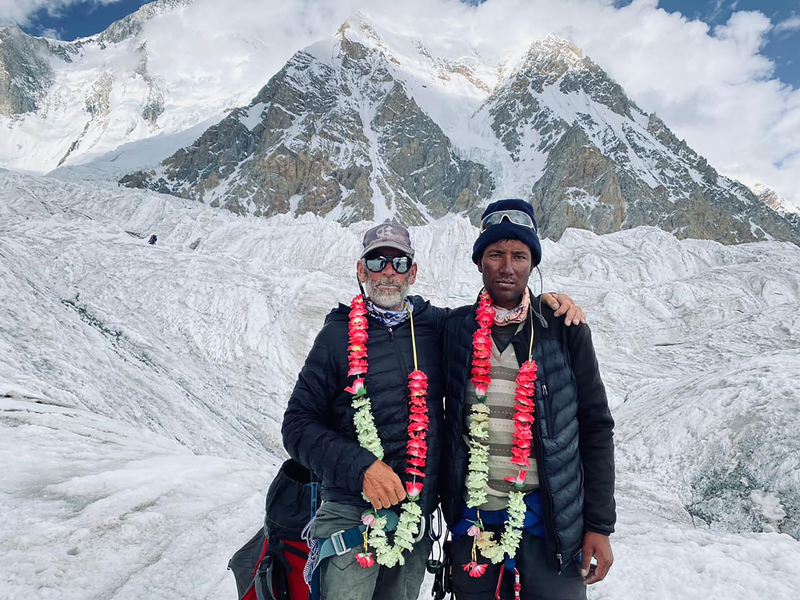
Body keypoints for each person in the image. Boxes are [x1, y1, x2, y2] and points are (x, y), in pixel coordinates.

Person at [282, 222, 585, 600]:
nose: (388, 271)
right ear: (361, 270)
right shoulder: (335, 338)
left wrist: (547, 304)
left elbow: (496, 313)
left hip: (414, 518)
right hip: (351, 515)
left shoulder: (436, 327)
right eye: (377, 261)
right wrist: (361, 469)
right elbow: (296, 426)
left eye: (399, 262)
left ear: (413, 272)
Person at [440, 199, 615, 600]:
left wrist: (599, 527)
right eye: (495, 254)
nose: (507, 266)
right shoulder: (454, 330)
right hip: (475, 522)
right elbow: (399, 322)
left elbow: (595, 425)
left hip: (551, 525)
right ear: (479, 261)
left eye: (519, 255)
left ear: (532, 263)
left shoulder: (563, 329)